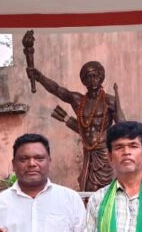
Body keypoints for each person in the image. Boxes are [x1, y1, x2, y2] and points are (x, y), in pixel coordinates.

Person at [27, 59, 123, 191]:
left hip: (104, 152)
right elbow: (57, 89)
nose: (92, 80)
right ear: (84, 81)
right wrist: (40, 77)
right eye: (88, 77)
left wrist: (118, 105)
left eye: (95, 75)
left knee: (103, 189)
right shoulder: (79, 101)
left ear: (100, 77)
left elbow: (122, 126)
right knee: (87, 187)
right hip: (88, 151)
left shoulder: (109, 101)